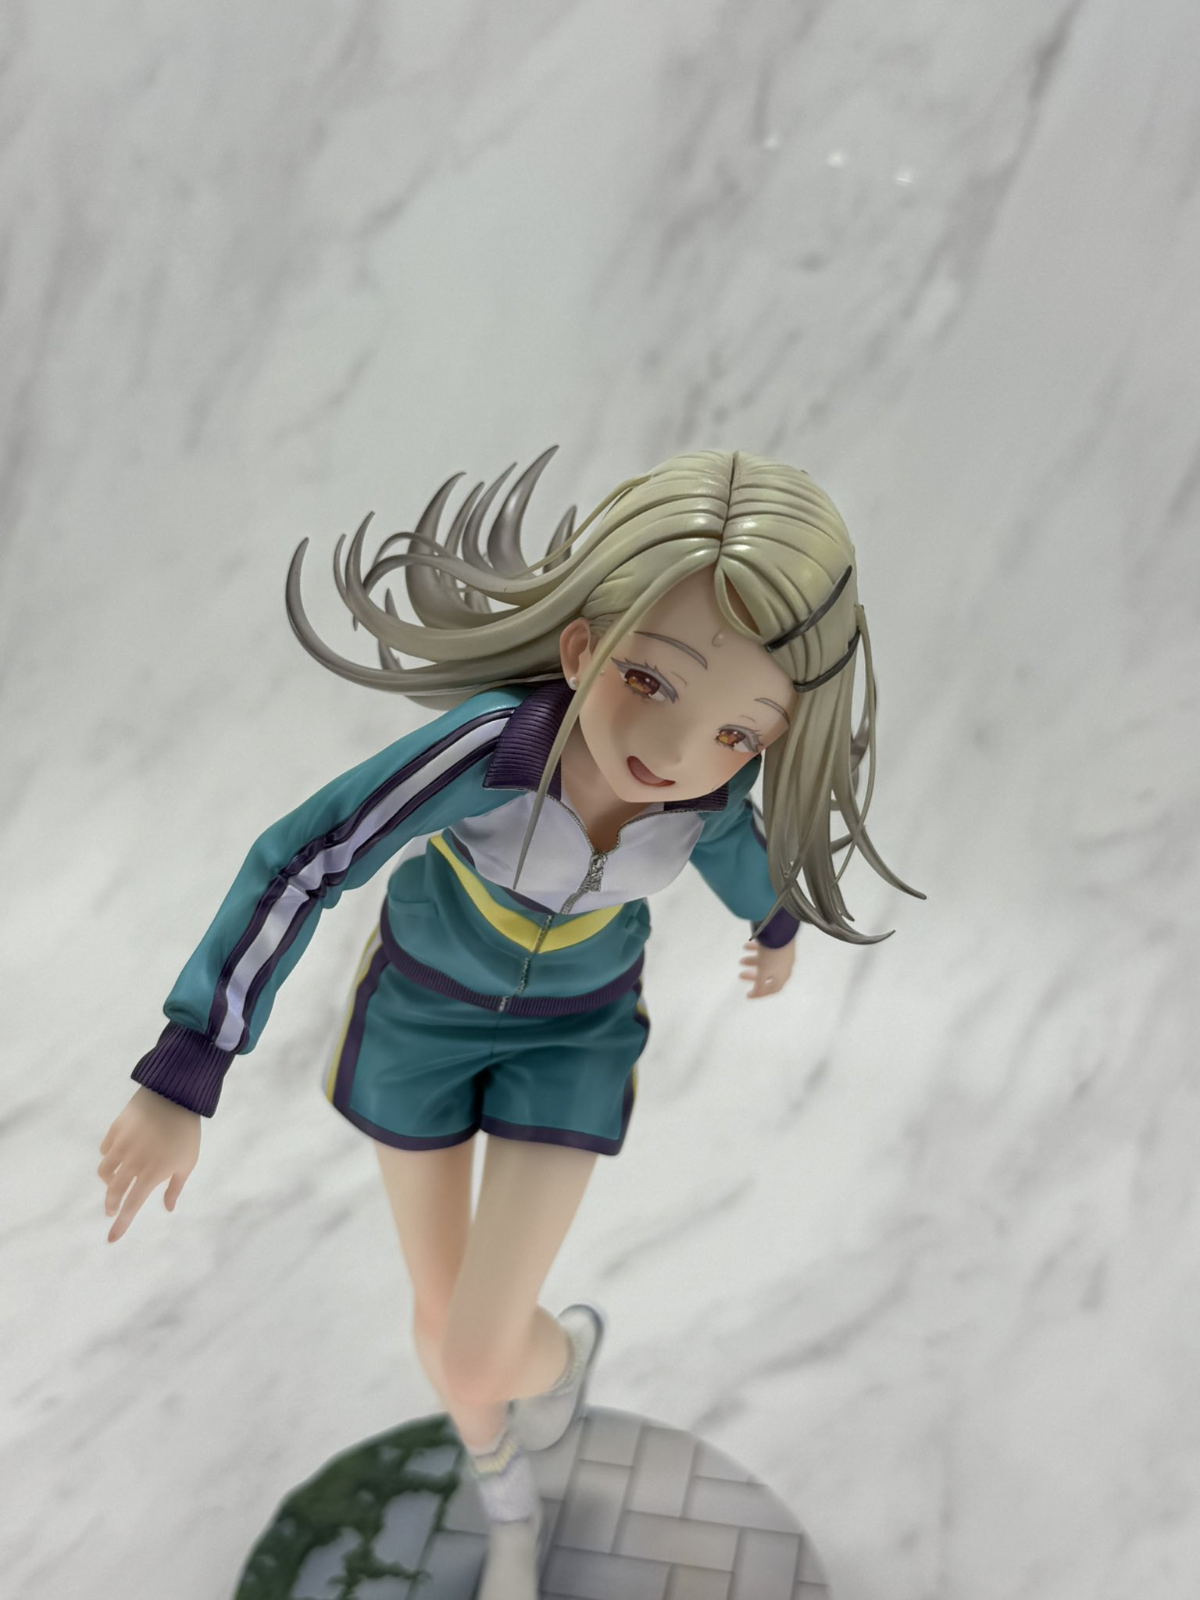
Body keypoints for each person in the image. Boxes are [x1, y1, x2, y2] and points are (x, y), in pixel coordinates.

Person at [97, 446, 922, 1599]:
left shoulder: (706, 804)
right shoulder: (487, 752)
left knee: (483, 1349)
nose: (676, 754)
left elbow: (743, 858)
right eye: (650, 679)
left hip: (574, 1038)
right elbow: (308, 856)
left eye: (739, 732)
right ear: (582, 647)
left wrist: (776, 927)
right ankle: (512, 1519)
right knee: (442, 1325)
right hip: (418, 1022)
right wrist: (189, 1060)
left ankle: (561, 1356)